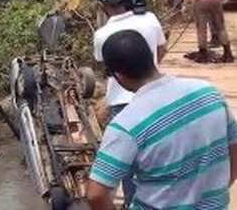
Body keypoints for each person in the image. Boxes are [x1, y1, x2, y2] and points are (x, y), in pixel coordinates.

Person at [86, 30, 237, 209]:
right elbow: (234, 148)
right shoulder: (208, 93)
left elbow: (96, 194)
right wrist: (214, 192)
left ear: (118, 75)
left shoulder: (126, 125)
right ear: (151, 57)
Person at [93, 0, 167, 208]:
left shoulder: (102, 34)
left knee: (129, 163)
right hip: (155, 93)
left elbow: (102, 64)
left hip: (122, 103)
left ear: (101, 5)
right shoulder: (150, 19)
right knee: (159, 152)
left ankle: (133, 203)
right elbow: (162, 49)